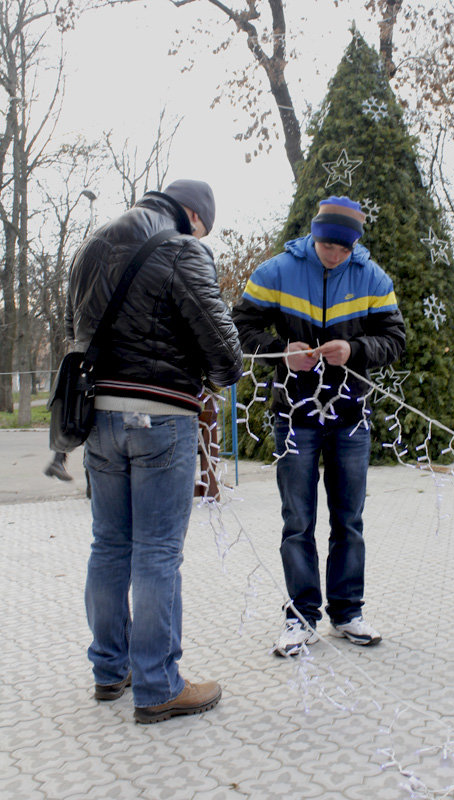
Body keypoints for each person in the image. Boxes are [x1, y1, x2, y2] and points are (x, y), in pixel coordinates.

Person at [65, 179, 243, 723]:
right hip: (162, 417)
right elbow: (223, 350)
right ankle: (159, 684)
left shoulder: (93, 245)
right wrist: (215, 372)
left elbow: (78, 328)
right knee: (158, 551)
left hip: (99, 417)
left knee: (109, 544)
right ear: (192, 214)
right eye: (204, 226)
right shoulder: (183, 249)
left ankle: (108, 670)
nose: (202, 235)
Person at [232, 196, 406, 657]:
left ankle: (348, 612)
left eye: (344, 249)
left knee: (349, 519)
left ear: (355, 247)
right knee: (298, 520)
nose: (334, 255)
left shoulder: (373, 278)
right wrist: (279, 348)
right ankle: (300, 617)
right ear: (314, 234)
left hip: (351, 416)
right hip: (293, 416)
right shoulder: (276, 271)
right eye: (328, 244)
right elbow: (238, 328)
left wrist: (356, 351)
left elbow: (395, 339)